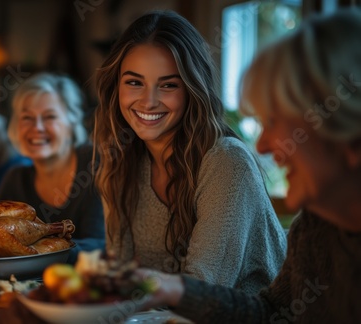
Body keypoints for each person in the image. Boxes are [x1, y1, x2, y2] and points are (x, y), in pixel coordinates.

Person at [134, 8, 361, 323]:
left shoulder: (225, 160)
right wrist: (175, 289)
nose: (263, 144)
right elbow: (270, 314)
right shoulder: (316, 226)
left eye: (276, 120)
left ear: (348, 132)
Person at [92, 10, 287, 295]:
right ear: (116, 86)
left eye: (168, 85)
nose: (148, 102)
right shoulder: (120, 161)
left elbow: (201, 293)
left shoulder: (225, 163)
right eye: (134, 82)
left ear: (192, 89)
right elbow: (119, 274)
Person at [0, 72, 105, 264]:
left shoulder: (96, 164)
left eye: (49, 117)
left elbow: (101, 245)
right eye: (27, 118)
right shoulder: (16, 179)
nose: (37, 127)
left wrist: (33, 251)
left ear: (72, 122)